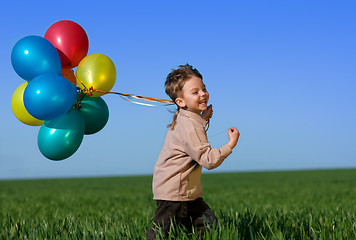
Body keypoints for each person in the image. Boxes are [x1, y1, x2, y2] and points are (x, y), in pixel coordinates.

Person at [146, 64, 240, 239]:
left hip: (184, 191)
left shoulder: (186, 117)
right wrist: (230, 145)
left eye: (203, 89)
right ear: (180, 102)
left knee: (207, 225)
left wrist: (203, 117)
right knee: (162, 233)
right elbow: (208, 159)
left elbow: (192, 134)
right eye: (195, 92)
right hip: (175, 193)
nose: (203, 94)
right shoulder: (189, 125)